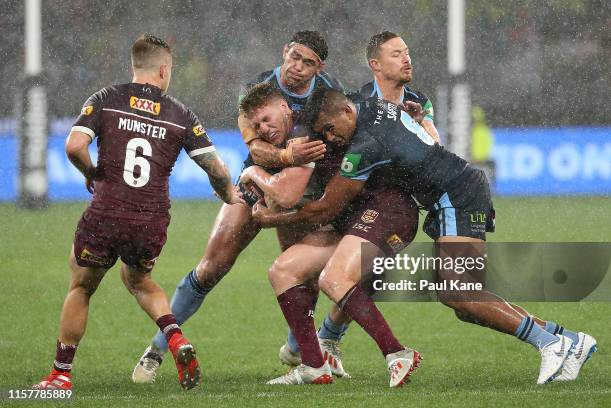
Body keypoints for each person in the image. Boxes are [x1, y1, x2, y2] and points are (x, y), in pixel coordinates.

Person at [253, 88, 597, 385]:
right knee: (463, 302)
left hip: (455, 195)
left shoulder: (364, 145)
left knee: (460, 294)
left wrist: (273, 219)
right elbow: (398, 113)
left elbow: (327, 209)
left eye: (329, 129)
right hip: (454, 192)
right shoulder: (369, 105)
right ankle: (568, 340)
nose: (329, 138)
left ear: (346, 111)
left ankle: (548, 344)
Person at [131, 31, 351, 383]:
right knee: (212, 266)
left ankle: (299, 349)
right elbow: (256, 146)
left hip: (302, 187)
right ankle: (158, 348)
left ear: (319, 67)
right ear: (285, 50)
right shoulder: (257, 86)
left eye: (307, 62)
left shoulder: (330, 92)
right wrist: (284, 155)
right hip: (255, 180)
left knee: (302, 275)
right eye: (293, 56)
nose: (296, 67)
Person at [32, 34, 242, 391]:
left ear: (137, 67)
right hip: (151, 218)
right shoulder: (180, 114)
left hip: (107, 211)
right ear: (164, 70)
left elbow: (74, 146)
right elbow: (219, 171)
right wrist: (228, 196)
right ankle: (175, 338)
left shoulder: (107, 99)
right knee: (140, 281)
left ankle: (60, 375)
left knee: (82, 285)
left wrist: (92, 174)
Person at [277, 31, 445, 368]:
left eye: (407, 52)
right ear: (375, 64)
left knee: (357, 277)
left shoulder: (417, 100)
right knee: (318, 273)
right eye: (397, 53)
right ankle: (318, 346)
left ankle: (325, 344)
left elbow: (434, 150)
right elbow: (330, 148)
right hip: (352, 205)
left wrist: (421, 123)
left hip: (392, 207)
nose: (407, 59)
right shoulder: (357, 102)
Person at [238, 82, 420, 384]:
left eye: (266, 119)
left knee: (333, 279)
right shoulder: (304, 132)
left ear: (284, 108)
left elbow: (285, 194)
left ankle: (395, 352)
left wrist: (252, 173)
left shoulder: (304, 134)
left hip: (385, 214)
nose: (263, 129)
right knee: (283, 271)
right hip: (349, 221)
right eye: (256, 126)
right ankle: (314, 365)